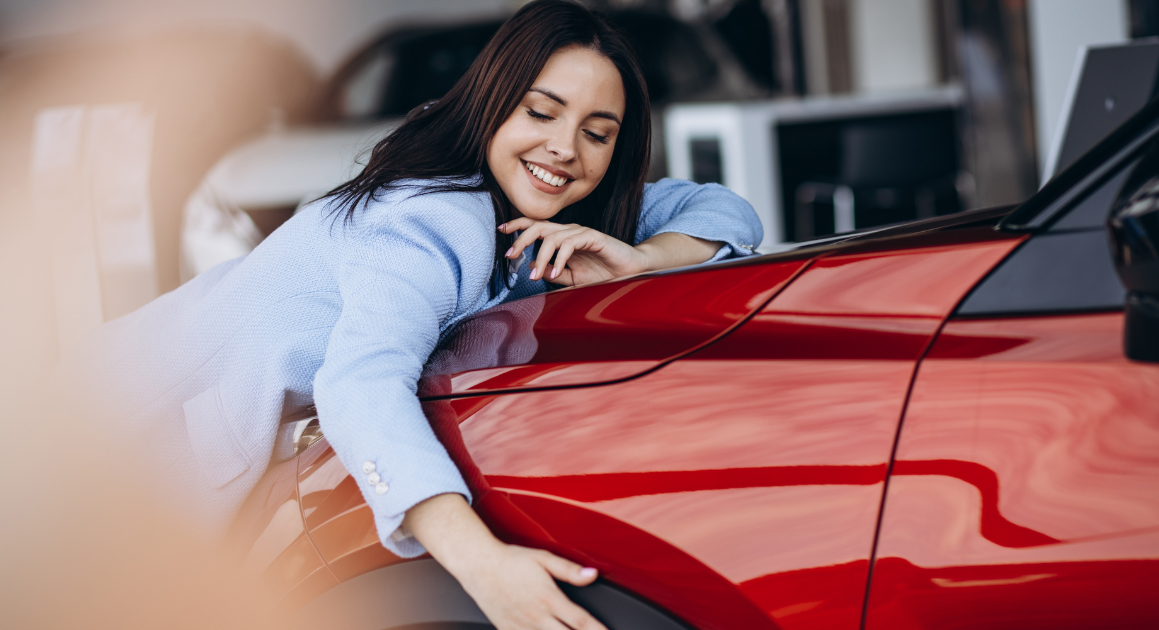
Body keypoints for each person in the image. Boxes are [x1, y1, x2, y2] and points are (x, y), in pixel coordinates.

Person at [62, 1, 762, 628]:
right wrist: (480, 563)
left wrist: (644, 260)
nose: (565, 149)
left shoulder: (553, 211)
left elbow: (726, 211)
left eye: (597, 132)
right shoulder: (432, 219)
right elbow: (362, 383)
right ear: (493, 103)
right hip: (108, 444)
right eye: (541, 112)